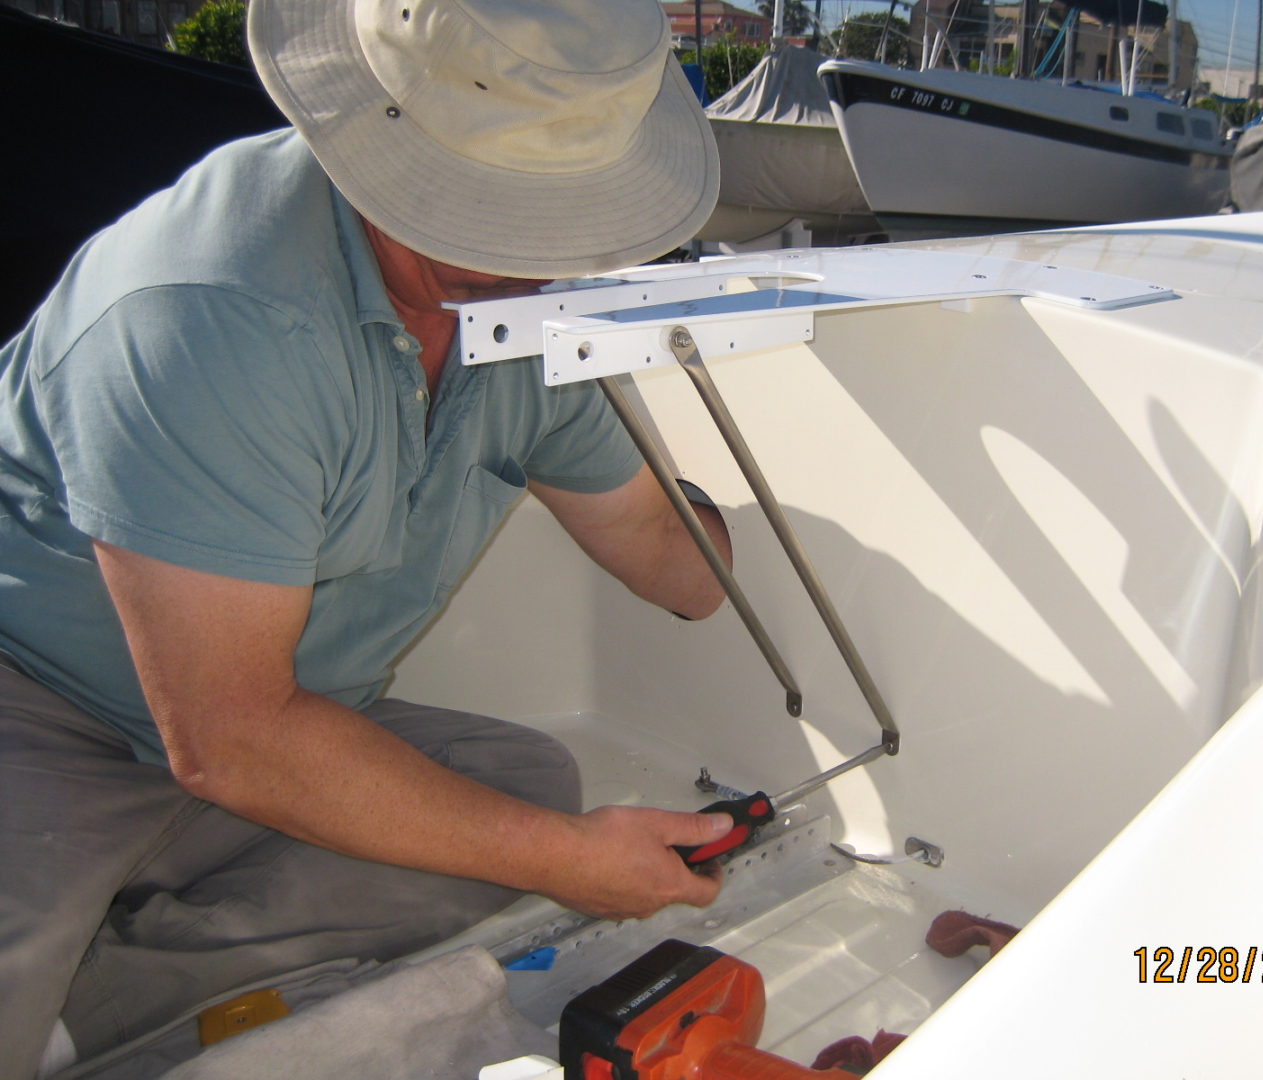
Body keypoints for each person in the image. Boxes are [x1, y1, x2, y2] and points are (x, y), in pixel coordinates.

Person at [0, 0, 735, 1075]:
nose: (529, 265)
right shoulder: (205, 309)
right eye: (493, 221)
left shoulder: (528, 308)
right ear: (372, 139)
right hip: (40, 714)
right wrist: (576, 864)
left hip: (270, 721)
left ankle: (95, 1002)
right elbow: (230, 738)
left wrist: (688, 499)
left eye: (557, 223)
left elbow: (676, 565)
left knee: (519, 780)